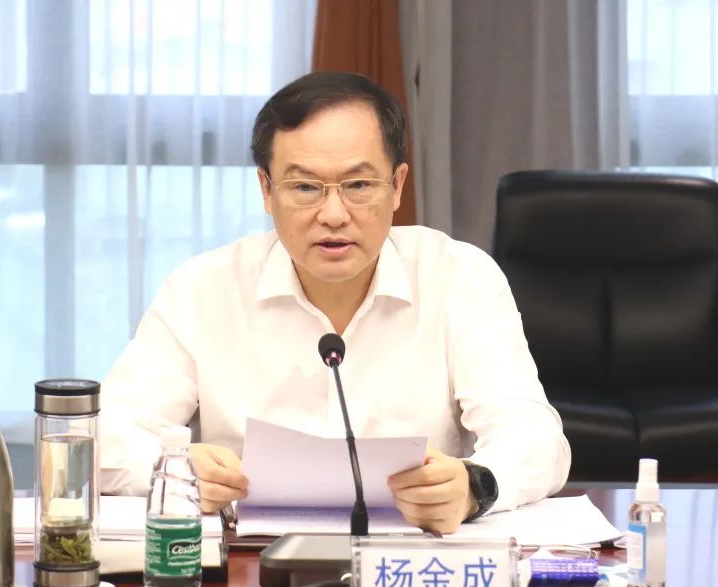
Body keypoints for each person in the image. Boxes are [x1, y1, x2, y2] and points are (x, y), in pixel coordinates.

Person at [100, 71, 570, 534]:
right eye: (305, 187)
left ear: (397, 186)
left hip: (413, 557)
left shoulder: (459, 277)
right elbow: (105, 438)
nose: (333, 214)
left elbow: (534, 437)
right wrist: (176, 469)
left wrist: (473, 487)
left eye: (358, 185)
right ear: (267, 190)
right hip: (248, 559)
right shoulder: (202, 290)